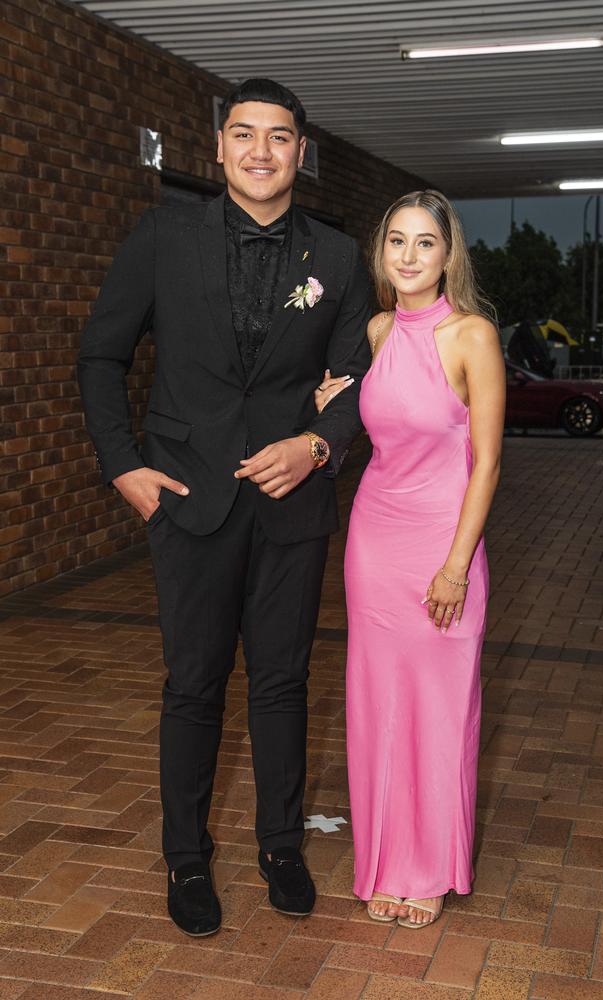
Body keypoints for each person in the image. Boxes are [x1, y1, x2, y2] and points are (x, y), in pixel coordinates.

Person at [78, 78, 371, 936]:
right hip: (186, 500)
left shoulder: (339, 258)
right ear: (218, 147)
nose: (260, 152)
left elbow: (355, 386)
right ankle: (186, 857)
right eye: (244, 135)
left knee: (282, 684)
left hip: (292, 506)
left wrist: (317, 445)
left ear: (300, 153)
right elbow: (101, 356)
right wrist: (123, 466)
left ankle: (281, 847)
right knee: (194, 685)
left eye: (279, 138)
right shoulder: (164, 237)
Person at [316, 190, 504, 928]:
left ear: (447, 253)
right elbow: (379, 427)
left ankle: (428, 869)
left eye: (425, 243)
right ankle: (384, 862)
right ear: (381, 251)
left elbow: (486, 463)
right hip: (374, 540)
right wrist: (333, 402)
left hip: (443, 542)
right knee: (376, 704)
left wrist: (457, 564)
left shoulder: (472, 336)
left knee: (438, 708)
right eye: (397, 240)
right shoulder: (377, 328)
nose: (409, 255)